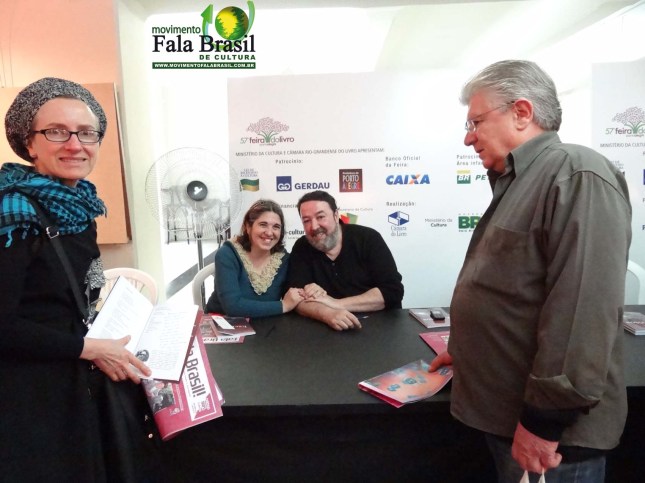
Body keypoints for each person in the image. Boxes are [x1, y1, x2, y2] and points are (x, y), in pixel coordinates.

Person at [429, 60, 631, 483]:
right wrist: (469, 349)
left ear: (522, 112)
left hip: (553, 443)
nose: (468, 137)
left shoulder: (577, 174)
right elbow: (514, 291)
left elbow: (581, 314)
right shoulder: (520, 180)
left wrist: (543, 421)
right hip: (509, 416)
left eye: (475, 122)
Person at [0, 78, 164, 481]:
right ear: (29, 142)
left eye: (87, 133)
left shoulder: (80, 207)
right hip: (32, 402)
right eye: (57, 132)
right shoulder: (13, 213)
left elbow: (73, 300)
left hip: (73, 383)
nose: (75, 144)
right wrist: (89, 348)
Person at [287, 190, 404, 331]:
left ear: (336, 215)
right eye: (306, 220)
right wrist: (327, 313)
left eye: (321, 217)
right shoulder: (302, 246)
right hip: (326, 329)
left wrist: (336, 304)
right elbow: (296, 299)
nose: (314, 226)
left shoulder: (368, 238)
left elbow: (392, 292)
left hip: (381, 327)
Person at [205, 199, 303, 317]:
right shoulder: (227, 254)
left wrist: (311, 289)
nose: (269, 232)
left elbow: (296, 293)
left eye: (276, 227)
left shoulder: (283, 259)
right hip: (222, 321)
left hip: (265, 322)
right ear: (248, 226)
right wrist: (283, 306)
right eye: (263, 225)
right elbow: (232, 306)